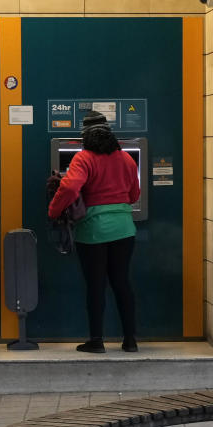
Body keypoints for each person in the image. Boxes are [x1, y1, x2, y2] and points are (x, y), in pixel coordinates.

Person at [48, 111, 141, 354]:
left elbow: (69, 187)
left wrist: (53, 210)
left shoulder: (83, 158)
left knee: (96, 286)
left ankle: (97, 340)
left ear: (84, 136)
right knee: (122, 283)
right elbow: (134, 195)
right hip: (124, 230)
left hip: (93, 232)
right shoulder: (127, 160)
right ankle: (130, 340)